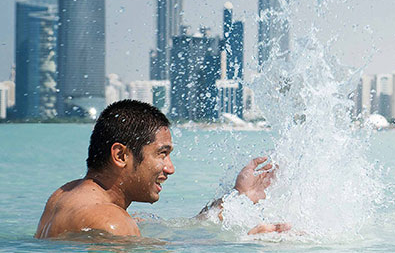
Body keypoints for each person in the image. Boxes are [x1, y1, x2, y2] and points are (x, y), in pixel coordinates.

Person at [35, 99, 287, 239]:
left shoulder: (63, 196)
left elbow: (183, 230)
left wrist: (239, 198)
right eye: (162, 154)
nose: (170, 168)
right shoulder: (112, 223)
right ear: (121, 155)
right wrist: (246, 242)